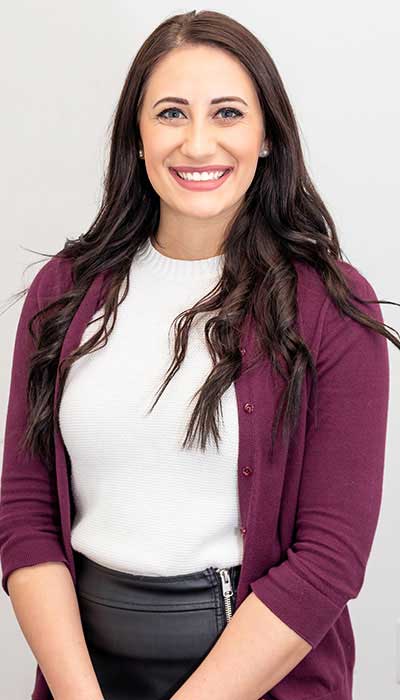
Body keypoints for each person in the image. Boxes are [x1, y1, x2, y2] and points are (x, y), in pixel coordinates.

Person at [0, 9, 396, 700]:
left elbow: (330, 558)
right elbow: (25, 512)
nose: (198, 142)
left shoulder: (331, 307)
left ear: (267, 135)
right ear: (138, 134)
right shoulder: (64, 290)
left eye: (228, 113)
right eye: (171, 113)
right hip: (86, 678)